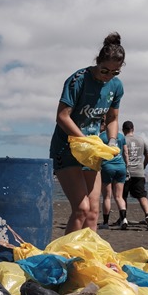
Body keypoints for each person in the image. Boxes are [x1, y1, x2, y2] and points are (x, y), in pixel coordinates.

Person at [49, 32, 125, 233]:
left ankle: (88, 258)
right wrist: (82, 141)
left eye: (114, 73)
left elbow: (112, 118)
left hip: (91, 152)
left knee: (93, 212)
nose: (108, 76)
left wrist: (112, 140)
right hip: (66, 149)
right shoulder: (78, 80)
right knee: (81, 209)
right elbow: (62, 116)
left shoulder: (116, 86)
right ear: (97, 62)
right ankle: (66, 257)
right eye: (104, 70)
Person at [121, 120, 148, 228]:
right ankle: (147, 214)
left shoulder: (122, 140)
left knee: (123, 196)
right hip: (139, 172)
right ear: (133, 129)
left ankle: (123, 218)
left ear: (123, 130)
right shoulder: (141, 140)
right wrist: (143, 165)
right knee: (142, 195)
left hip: (126, 171)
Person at [98, 121, 129, 229]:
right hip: (121, 166)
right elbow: (125, 152)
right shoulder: (120, 136)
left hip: (107, 166)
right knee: (119, 196)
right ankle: (124, 219)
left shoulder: (101, 136)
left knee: (107, 197)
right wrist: (127, 166)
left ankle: (105, 223)